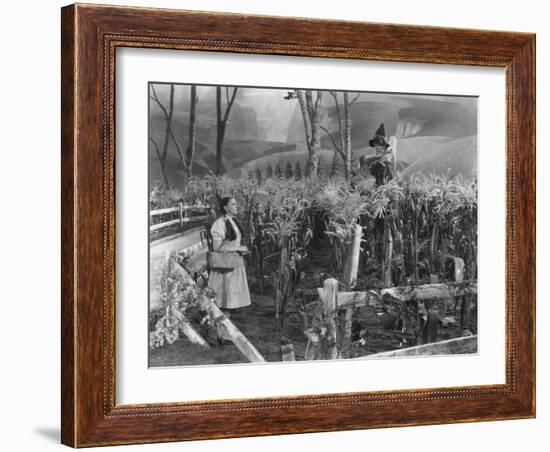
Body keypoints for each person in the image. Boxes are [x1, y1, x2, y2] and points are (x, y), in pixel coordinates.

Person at [207, 197, 251, 311]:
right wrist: (238, 248)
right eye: (233, 204)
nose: (236, 206)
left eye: (236, 204)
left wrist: (240, 250)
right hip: (225, 265)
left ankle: (227, 323)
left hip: (235, 263)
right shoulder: (219, 224)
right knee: (223, 300)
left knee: (231, 300)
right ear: (225, 207)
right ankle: (221, 323)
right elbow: (216, 247)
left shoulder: (234, 221)